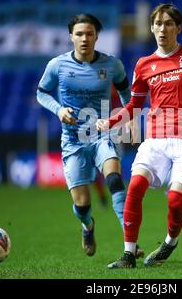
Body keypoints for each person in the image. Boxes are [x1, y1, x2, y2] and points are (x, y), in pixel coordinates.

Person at [96, 3, 182, 268]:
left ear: (178, 28)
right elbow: (134, 107)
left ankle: (170, 242)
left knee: (175, 200)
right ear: (151, 28)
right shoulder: (144, 65)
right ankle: (128, 254)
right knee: (134, 187)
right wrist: (110, 121)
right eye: (157, 24)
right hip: (156, 140)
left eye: (168, 23)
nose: (162, 29)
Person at [36, 13, 143, 258]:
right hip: (73, 140)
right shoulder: (57, 65)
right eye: (79, 34)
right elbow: (41, 93)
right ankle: (88, 226)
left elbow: (129, 95)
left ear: (96, 37)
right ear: (71, 37)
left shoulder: (112, 65)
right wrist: (59, 109)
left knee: (114, 180)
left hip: (104, 133)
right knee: (82, 205)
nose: (84, 38)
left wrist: (130, 119)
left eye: (89, 34)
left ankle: (131, 244)